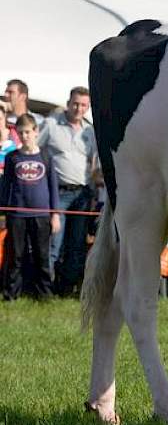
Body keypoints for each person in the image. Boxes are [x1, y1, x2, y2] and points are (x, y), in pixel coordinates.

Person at [39, 86, 97, 296]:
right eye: (75, 103)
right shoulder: (51, 125)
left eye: (83, 105)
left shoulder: (90, 132)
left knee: (76, 245)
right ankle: (46, 289)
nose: (78, 108)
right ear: (68, 102)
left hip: (82, 194)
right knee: (55, 242)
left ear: (88, 107)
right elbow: (37, 152)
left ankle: (67, 289)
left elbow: (93, 164)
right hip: (57, 193)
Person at [1, 114, 60, 300]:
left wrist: (55, 214)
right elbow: (6, 186)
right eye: (21, 133)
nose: (25, 136)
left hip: (41, 214)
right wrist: (5, 211)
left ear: (36, 132)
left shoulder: (46, 156)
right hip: (17, 214)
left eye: (27, 132)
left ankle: (44, 294)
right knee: (16, 256)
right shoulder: (12, 158)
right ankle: (12, 293)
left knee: (42, 255)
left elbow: (53, 187)